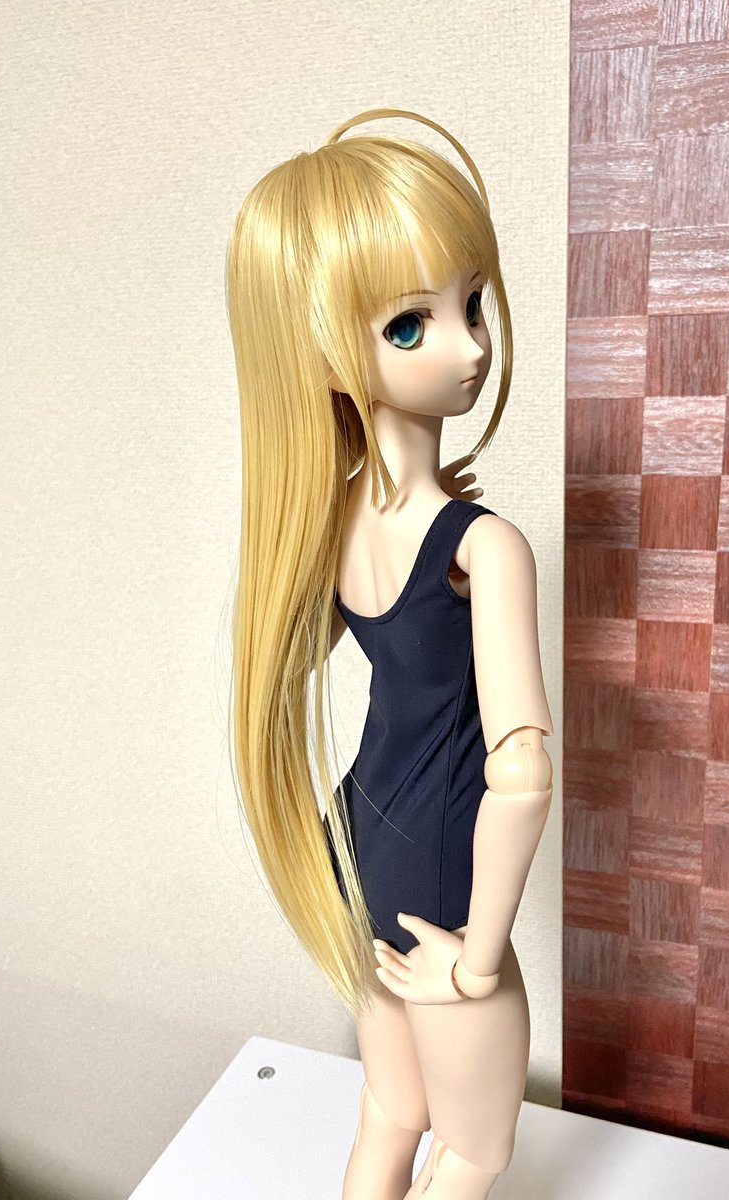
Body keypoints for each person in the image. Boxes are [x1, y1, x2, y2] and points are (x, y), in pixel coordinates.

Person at [225, 107, 554, 1200]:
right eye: (411, 325)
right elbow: (522, 773)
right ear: (326, 356)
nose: (471, 346)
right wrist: (478, 959)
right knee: (476, 1149)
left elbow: (302, 658)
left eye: (473, 303)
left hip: (358, 841)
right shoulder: (482, 548)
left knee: (390, 1112)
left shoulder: (327, 523)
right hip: (442, 877)